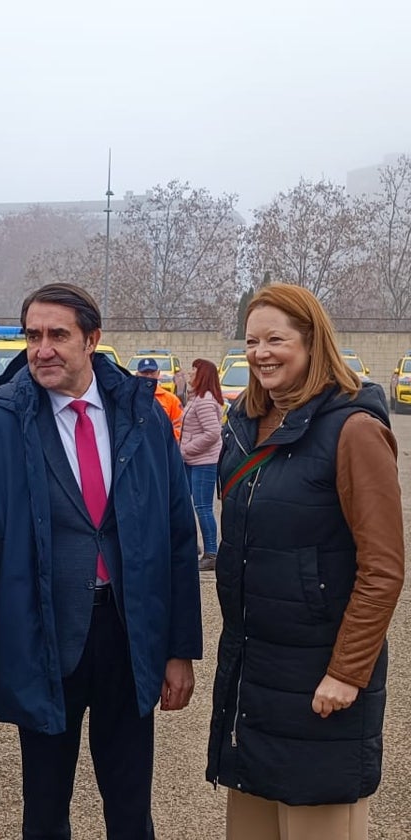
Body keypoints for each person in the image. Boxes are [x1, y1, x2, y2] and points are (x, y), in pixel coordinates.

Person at [0, 282, 202, 840]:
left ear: (92, 340)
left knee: (130, 803)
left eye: (57, 335)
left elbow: (174, 539)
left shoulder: (141, 416)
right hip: (46, 635)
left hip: (128, 634)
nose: (42, 349)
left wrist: (179, 651)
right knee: (44, 807)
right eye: (33, 335)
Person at [207, 284, 404, 840]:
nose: (261, 353)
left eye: (276, 339)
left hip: (321, 685)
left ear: (314, 341)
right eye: (251, 341)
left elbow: (383, 568)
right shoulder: (243, 426)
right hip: (254, 677)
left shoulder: (353, 430)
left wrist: (347, 673)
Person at [179, 358, 224, 572]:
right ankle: (192, 545)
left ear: (202, 374)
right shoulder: (197, 398)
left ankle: (212, 553)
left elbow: (213, 433)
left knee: (203, 507)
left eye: (194, 370)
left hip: (203, 463)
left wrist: (186, 449)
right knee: (184, 504)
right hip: (192, 461)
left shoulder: (205, 400)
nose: (190, 373)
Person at [135, 356, 183, 440]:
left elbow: (180, 426)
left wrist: (166, 442)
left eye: (152, 373)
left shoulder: (171, 400)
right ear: (137, 374)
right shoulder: (130, 397)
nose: (149, 376)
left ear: (158, 374)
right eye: (145, 373)